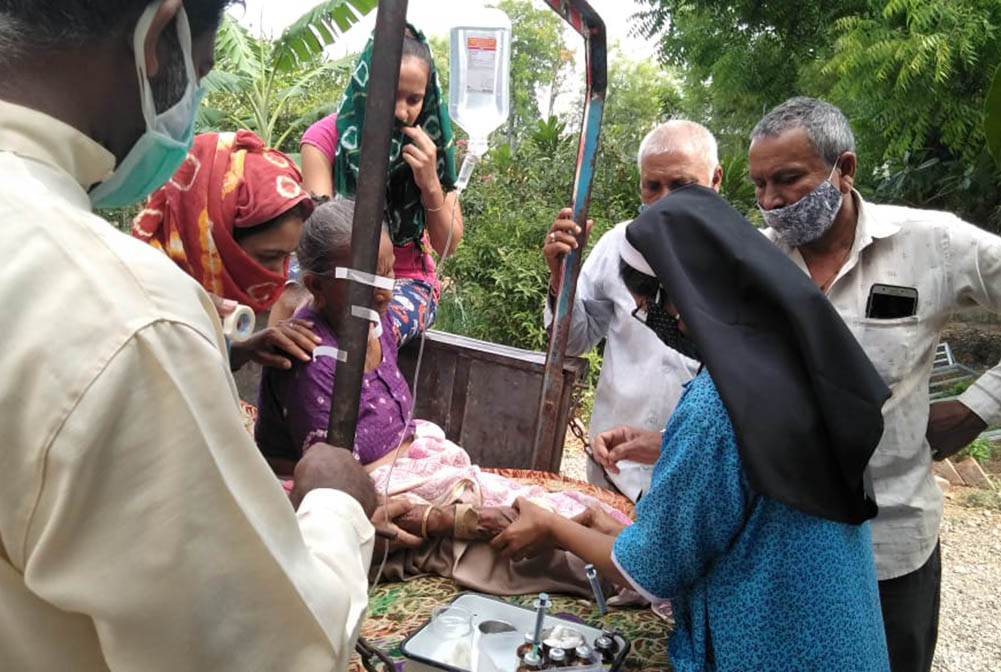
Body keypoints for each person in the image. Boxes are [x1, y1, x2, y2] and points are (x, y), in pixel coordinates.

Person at [0, 2, 379, 669]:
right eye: (199, 71)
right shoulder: (131, 321)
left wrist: (229, 347)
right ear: (156, 38)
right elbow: (267, 648)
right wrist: (336, 507)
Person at [495, 185, 892, 671]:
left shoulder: (715, 407)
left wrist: (552, 526)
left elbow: (652, 575)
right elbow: (745, 509)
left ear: (680, 299)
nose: (661, 324)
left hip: (769, 649)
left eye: (651, 308)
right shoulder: (795, 359)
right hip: (837, 640)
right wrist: (623, 523)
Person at [256, 198, 636, 599]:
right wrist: (447, 518)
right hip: (367, 486)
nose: (385, 291)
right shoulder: (309, 358)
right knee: (521, 536)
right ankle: (620, 570)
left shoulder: (371, 320)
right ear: (316, 285)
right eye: (368, 279)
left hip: (413, 464)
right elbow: (334, 488)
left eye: (388, 273)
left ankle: (621, 552)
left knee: (546, 507)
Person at [748, 96, 1001, 672]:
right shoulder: (754, 260)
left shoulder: (930, 243)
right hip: (782, 538)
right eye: (759, 185)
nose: (771, 202)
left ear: (845, 169)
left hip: (890, 539)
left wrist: (978, 405)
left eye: (788, 179)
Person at [542, 120, 720, 501]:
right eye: (652, 186)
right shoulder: (619, 247)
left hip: (695, 482)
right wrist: (561, 278)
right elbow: (572, 343)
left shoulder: (743, 261)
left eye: (681, 185)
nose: (665, 200)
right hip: (612, 466)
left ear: (716, 180)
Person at [292, 24, 463, 346]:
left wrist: (429, 183)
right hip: (333, 271)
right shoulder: (325, 140)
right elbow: (319, 235)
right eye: (389, 94)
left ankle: (371, 398)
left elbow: (447, 245)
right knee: (295, 310)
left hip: (405, 281)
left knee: (373, 331)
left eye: (414, 100)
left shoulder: (432, 148)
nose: (401, 111)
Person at [133, 129, 323, 371]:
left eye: (287, 256)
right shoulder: (139, 309)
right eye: (269, 257)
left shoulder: (199, 299)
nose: (279, 274)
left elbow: (195, 365)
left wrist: (244, 350)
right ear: (210, 241)